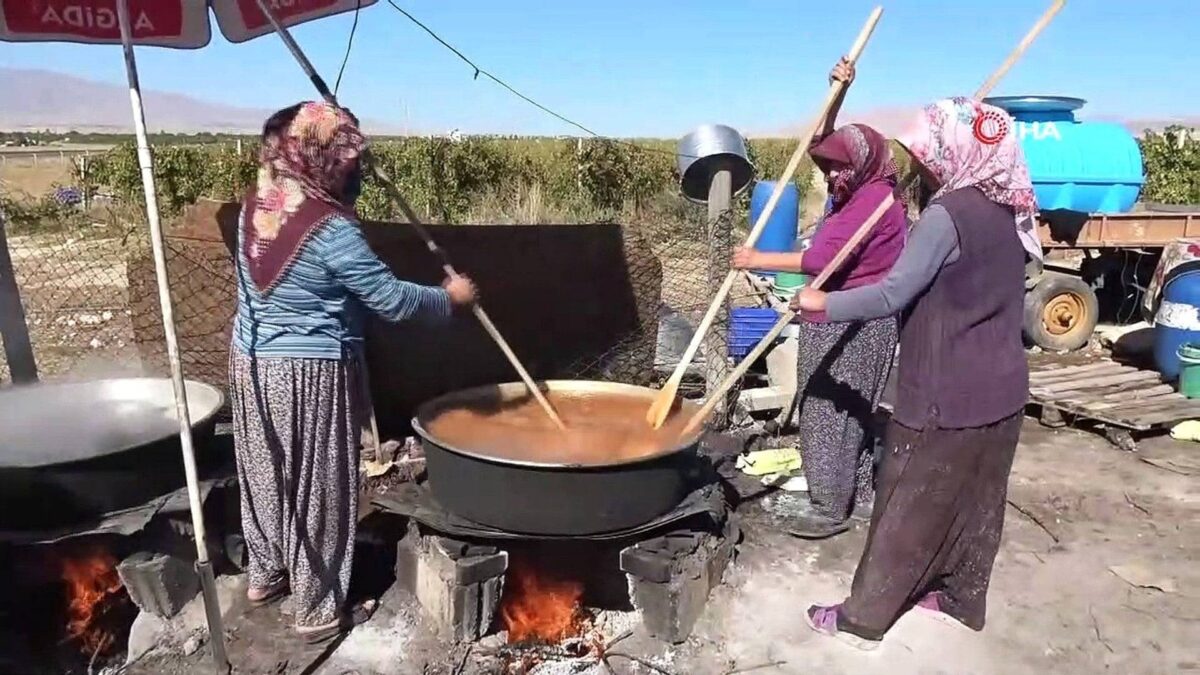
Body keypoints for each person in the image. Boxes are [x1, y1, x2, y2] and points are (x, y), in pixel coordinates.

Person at [795, 97, 1038, 649]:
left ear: (954, 151)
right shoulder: (1008, 207)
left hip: (944, 391)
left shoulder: (947, 215)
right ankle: (955, 596)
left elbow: (891, 292)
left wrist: (820, 305)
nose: (923, 166)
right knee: (975, 501)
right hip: (1003, 389)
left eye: (929, 154)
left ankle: (861, 619)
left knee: (903, 501)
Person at [229, 101, 477, 643]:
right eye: (347, 160)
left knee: (266, 471)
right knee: (318, 485)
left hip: (250, 360)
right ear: (322, 160)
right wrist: (448, 297)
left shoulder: (259, 204)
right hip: (307, 371)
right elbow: (391, 300)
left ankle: (267, 572)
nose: (355, 171)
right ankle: (317, 609)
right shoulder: (328, 229)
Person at [731, 57, 906, 538]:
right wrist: (838, 91)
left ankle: (829, 507)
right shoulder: (870, 182)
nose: (830, 176)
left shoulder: (870, 203)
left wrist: (754, 259)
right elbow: (820, 146)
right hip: (866, 318)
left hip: (847, 320)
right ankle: (861, 496)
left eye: (838, 169)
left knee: (826, 409)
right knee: (855, 410)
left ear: (861, 165)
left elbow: (819, 260)